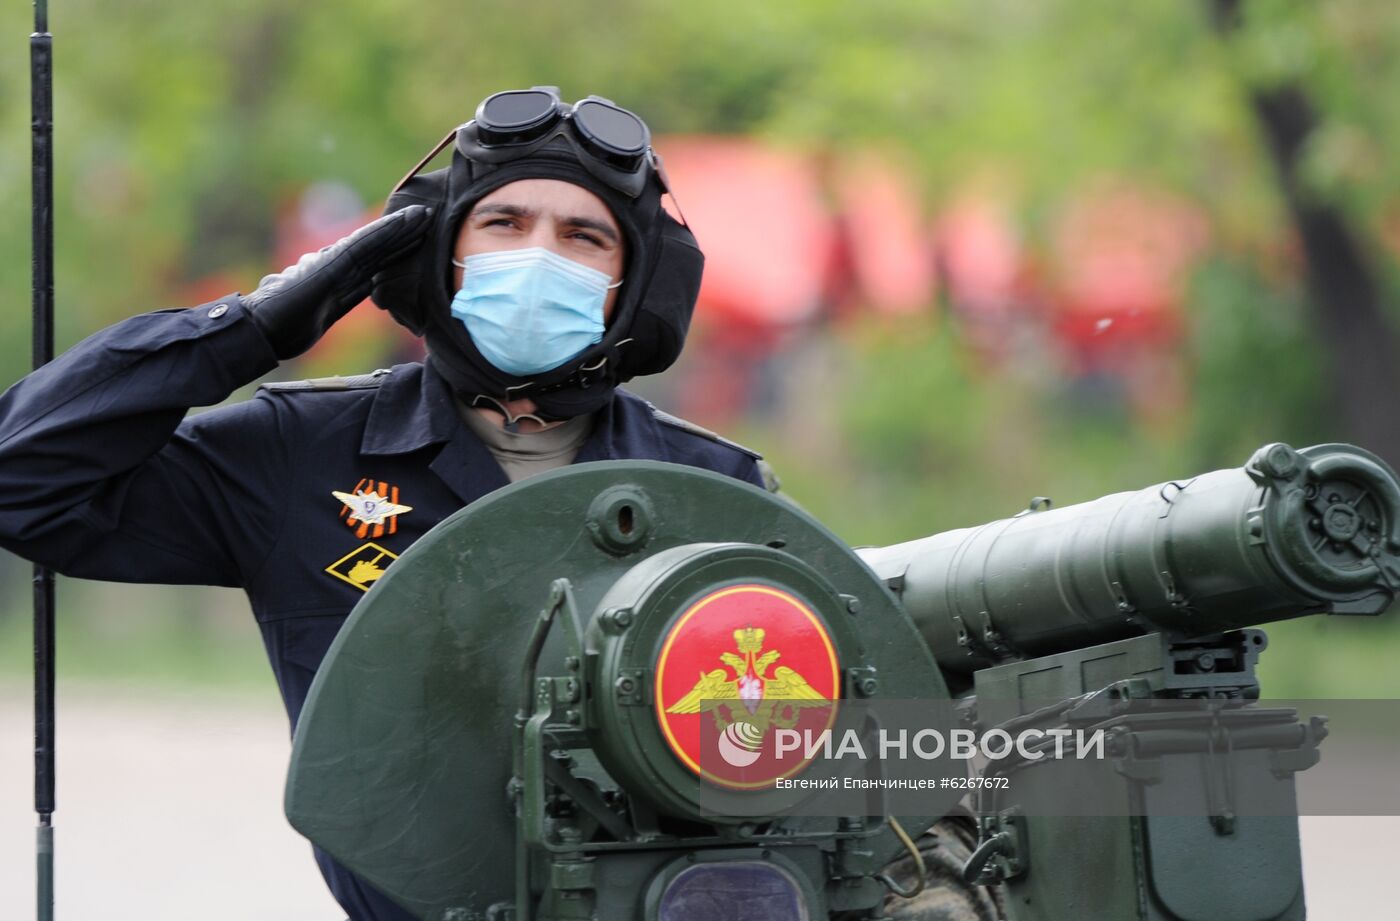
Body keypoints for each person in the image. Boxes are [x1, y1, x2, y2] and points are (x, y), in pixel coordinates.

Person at [0, 87, 769, 920]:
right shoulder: (305, 454)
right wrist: (248, 328)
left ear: (635, 283)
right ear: (440, 253)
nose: (539, 258)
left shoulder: (714, 491)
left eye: (584, 236)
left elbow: (834, 753)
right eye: (503, 225)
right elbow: (23, 480)